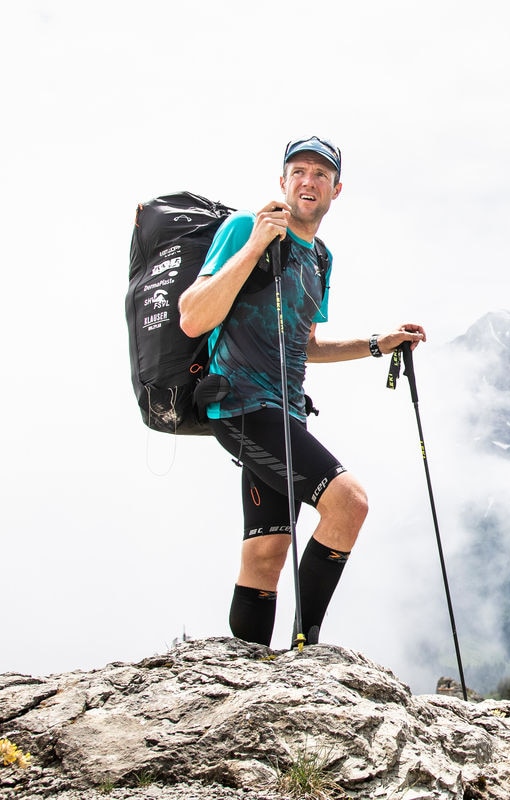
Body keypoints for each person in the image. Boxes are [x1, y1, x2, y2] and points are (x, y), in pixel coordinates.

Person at [179, 137, 425, 647]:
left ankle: (248, 670)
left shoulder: (321, 259)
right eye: (298, 171)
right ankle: (305, 652)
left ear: (337, 188)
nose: (308, 180)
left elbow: (305, 343)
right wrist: (253, 246)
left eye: (319, 173)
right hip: (241, 404)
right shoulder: (248, 228)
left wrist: (378, 343)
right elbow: (192, 316)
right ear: (282, 181)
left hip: (287, 411)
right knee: (349, 502)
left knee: (267, 551)